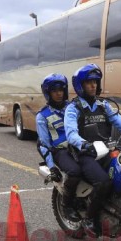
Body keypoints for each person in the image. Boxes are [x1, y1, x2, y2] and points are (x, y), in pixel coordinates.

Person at [64, 63, 121, 237]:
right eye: (89, 82)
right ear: (80, 85)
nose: (93, 85)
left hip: (105, 150)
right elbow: (71, 133)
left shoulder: (104, 105)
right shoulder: (73, 108)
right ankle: (89, 218)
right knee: (104, 182)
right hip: (85, 154)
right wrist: (84, 144)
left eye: (95, 82)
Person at [36, 74, 81, 222]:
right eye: (54, 91)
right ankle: (66, 204)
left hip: (79, 146)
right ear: (48, 93)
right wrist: (51, 166)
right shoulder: (42, 116)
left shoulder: (73, 107)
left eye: (61, 89)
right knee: (74, 172)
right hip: (60, 151)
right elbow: (43, 144)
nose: (59, 93)